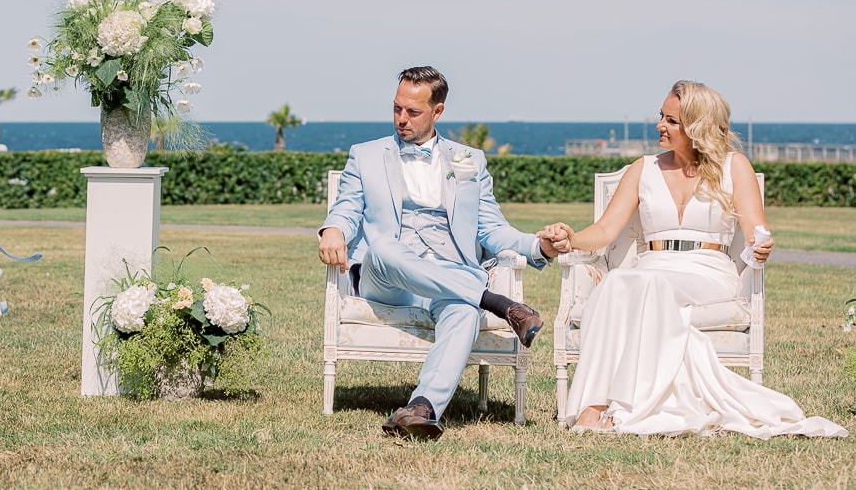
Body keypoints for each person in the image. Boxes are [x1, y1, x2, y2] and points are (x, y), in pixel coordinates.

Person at [541, 80, 848, 438]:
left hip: (708, 273)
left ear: (696, 127)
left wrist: (760, 245)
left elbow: (755, 230)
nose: (660, 125)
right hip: (651, 269)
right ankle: (593, 405)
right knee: (619, 280)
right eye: (661, 116)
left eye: (671, 121)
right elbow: (606, 230)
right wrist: (572, 238)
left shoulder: (734, 167)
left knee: (640, 282)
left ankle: (624, 406)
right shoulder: (642, 169)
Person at [318, 66, 561, 440]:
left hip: (451, 277)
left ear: (438, 111)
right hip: (388, 278)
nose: (401, 119)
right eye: (397, 108)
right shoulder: (365, 156)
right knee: (383, 248)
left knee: (463, 308)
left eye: (413, 112)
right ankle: (498, 303)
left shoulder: (469, 160)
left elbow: (491, 229)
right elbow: (347, 208)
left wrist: (538, 246)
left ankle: (422, 408)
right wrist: (333, 229)